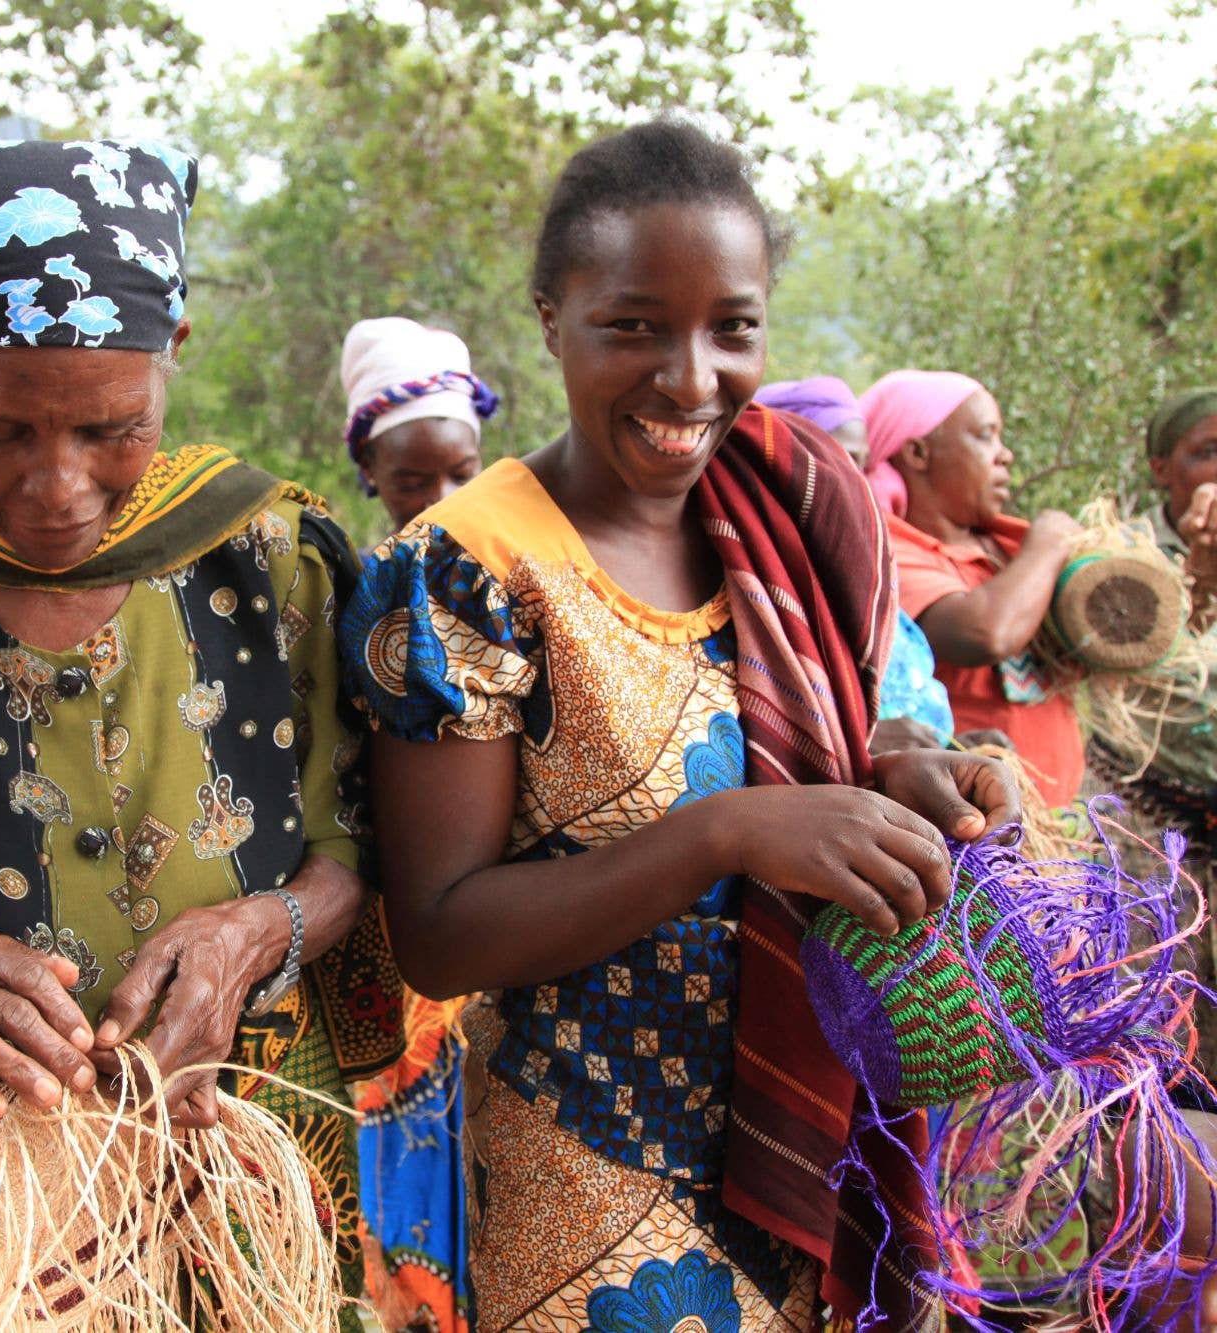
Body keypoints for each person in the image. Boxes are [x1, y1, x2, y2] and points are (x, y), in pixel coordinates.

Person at [340, 120, 1019, 1330]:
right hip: (590, 1191)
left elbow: (832, 740)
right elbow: (437, 937)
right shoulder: (461, 569)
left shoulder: (789, 508)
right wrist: (722, 834)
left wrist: (914, 777)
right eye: (633, 326)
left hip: (824, 1150)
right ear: (550, 318)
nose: (691, 377)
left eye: (732, 327)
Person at [0, 134, 402, 1329]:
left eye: (111, 427)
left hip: (248, 1111)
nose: (59, 488)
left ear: (172, 360)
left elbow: (353, 844)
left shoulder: (275, 566)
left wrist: (263, 925)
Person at [339, 313, 487, 1333]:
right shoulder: (346, 600)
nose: (437, 505)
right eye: (409, 483)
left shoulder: (501, 593)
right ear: (369, 478)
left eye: (459, 475)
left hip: (485, 950)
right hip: (376, 964)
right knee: (393, 1198)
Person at [859, 370, 1086, 804]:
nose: (1006, 456)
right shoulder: (883, 548)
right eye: (986, 437)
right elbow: (983, 632)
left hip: (1060, 822)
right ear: (919, 452)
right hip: (969, 823)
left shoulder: (1004, 546)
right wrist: (1051, 542)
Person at [1088, 387, 1217, 1072]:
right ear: (1161, 466)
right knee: (1159, 1045)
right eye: (1208, 452)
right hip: (1153, 835)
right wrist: (1198, 574)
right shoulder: (1120, 558)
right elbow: (1146, 677)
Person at [759, 376, 955, 749]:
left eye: (864, 466)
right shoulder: (759, 583)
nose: (857, 481)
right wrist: (864, 743)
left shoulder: (866, 580)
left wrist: (958, 749)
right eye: (840, 457)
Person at [341, 316, 498, 531]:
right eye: (412, 485)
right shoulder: (351, 565)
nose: (443, 502)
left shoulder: (523, 559)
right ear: (368, 469)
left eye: (462, 475)